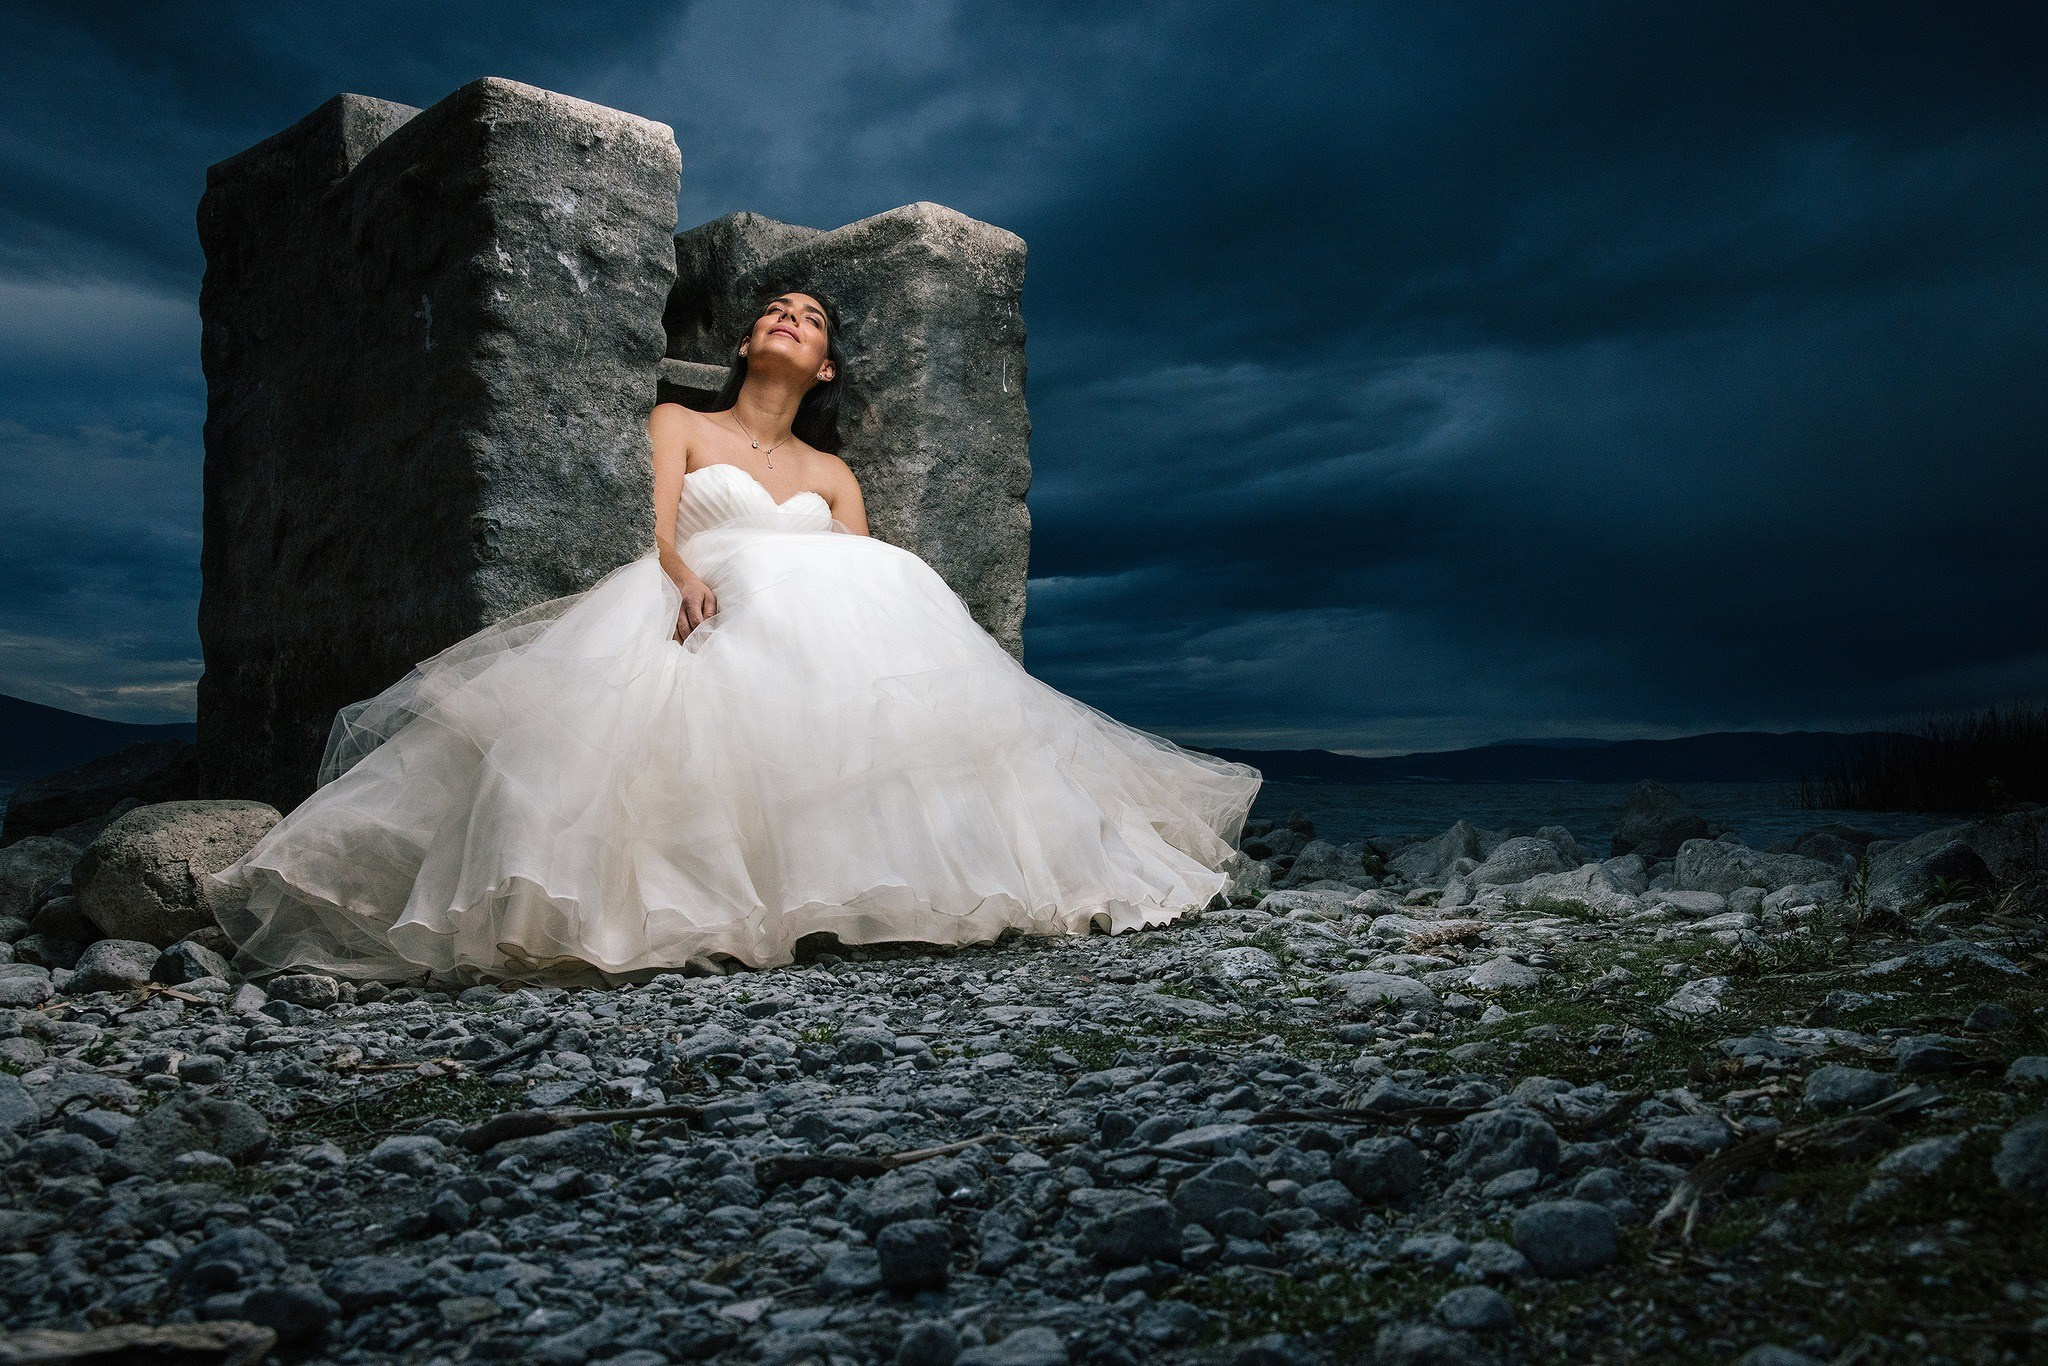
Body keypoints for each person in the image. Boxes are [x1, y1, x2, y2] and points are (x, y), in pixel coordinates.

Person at [207, 288, 1262, 984]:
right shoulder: (682, 421)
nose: (786, 318)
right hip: (701, 596)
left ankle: (895, 883)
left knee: (883, 584)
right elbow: (661, 527)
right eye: (773, 309)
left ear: (829, 369)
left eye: (808, 316)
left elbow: (860, 576)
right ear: (748, 344)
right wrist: (679, 577)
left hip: (825, 630)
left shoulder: (832, 474)